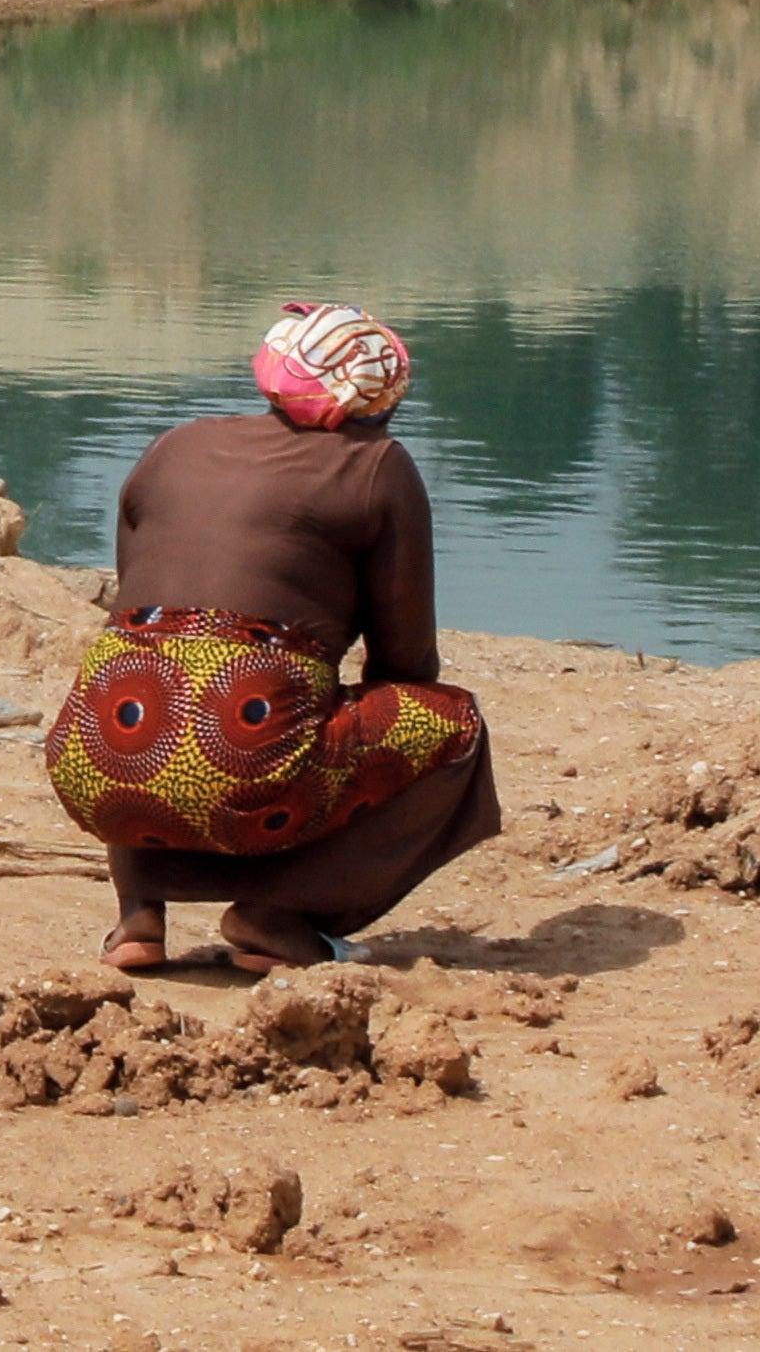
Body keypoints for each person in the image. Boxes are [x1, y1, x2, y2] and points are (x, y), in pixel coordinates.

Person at [39, 298, 497, 974]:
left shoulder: (176, 444)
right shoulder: (377, 466)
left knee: (155, 676)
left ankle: (137, 915)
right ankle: (279, 915)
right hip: (240, 758)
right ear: (384, 401)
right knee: (449, 726)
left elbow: (138, 599)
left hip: (91, 755)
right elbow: (404, 659)